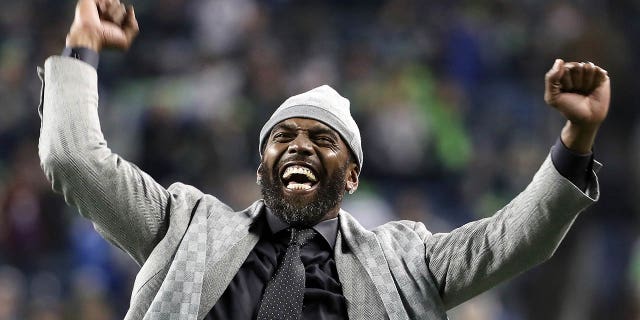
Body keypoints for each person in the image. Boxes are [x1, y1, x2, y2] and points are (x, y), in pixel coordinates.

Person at [37, 0, 610, 319]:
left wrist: (577, 136)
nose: (300, 146)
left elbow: (515, 239)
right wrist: (81, 44)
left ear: (354, 174)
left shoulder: (408, 259)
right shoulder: (182, 224)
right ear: (262, 163)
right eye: (282, 136)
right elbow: (71, 157)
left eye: (323, 139)